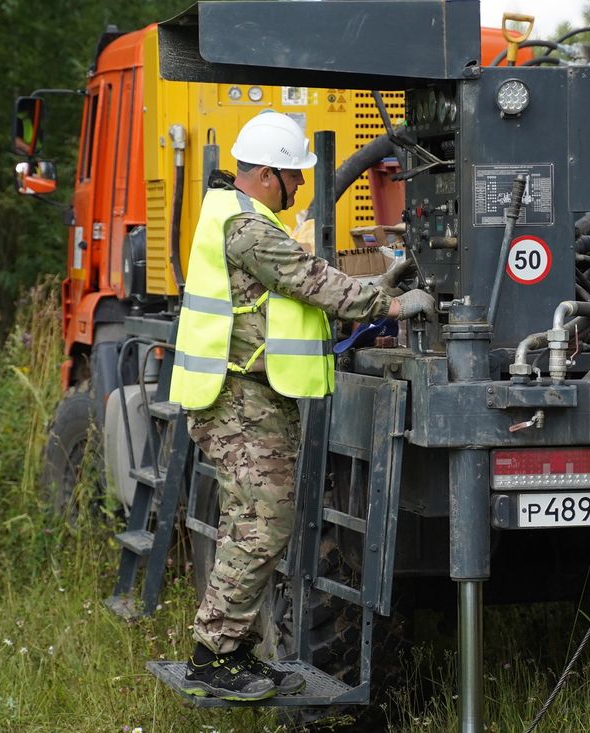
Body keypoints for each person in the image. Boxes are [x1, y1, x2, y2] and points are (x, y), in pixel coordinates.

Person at [168, 111, 435, 701]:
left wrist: (378, 287)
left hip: (249, 395)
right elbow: (310, 282)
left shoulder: (234, 215)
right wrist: (393, 305)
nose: (301, 190)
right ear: (266, 175)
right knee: (264, 524)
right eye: (295, 177)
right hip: (235, 398)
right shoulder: (248, 229)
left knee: (255, 522)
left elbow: (299, 290)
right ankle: (214, 656)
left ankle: (231, 652)